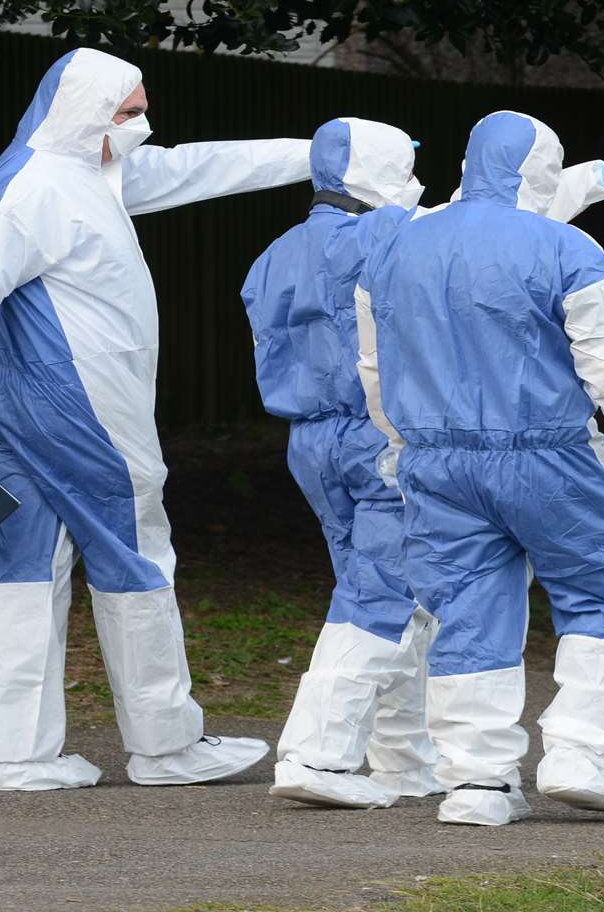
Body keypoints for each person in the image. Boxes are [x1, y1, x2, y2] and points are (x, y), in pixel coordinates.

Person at [0, 47, 312, 792]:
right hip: (84, 410)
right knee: (135, 555)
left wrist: (317, 152)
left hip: (22, 407)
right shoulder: (36, 190)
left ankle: (22, 757)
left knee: (26, 568)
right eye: (128, 113)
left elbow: (200, 167)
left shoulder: (85, 171)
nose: (141, 125)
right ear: (87, 113)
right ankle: (166, 746)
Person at [356, 110, 604, 827]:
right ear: (540, 167)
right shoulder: (567, 249)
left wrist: (400, 443)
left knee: (468, 609)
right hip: (552, 456)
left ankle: (476, 783)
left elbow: (375, 365)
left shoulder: (396, 248)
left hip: (434, 464)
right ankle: (579, 755)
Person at [240, 118, 440, 809]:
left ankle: (404, 758)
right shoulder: (393, 233)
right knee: (383, 592)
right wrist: (590, 183)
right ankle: (317, 756)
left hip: (309, 441)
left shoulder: (274, 254)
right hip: (383, 434)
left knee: (381, 590)